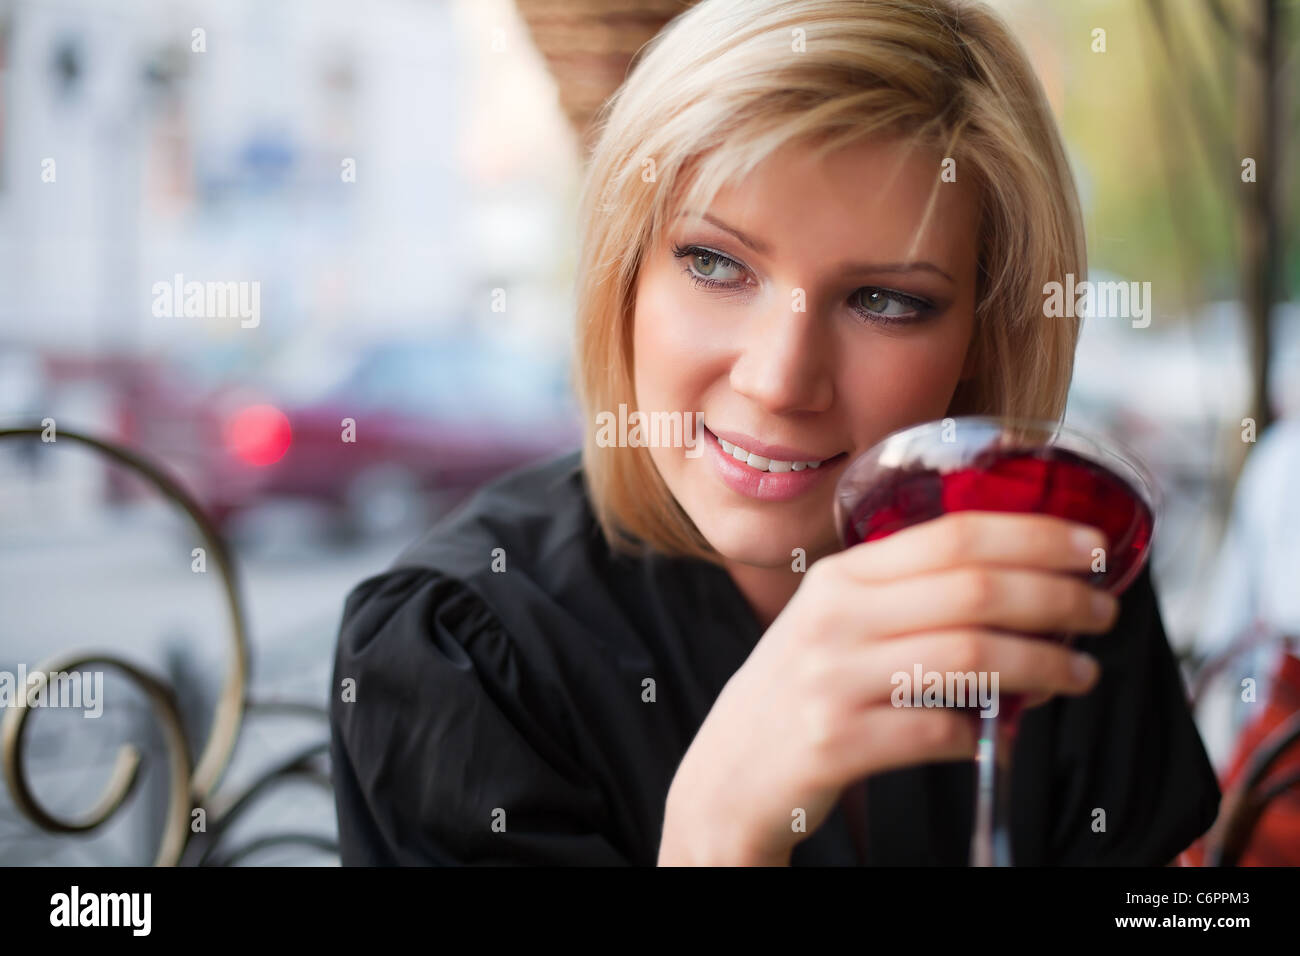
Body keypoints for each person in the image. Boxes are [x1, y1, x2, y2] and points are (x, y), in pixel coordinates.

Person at [328, 0, 1220, 865]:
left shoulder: (1054, 567)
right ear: (625, 272)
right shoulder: (456, 662)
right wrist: (718, 836)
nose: (780, 379)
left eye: (884, 300)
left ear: (984, 340)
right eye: (715, 263)